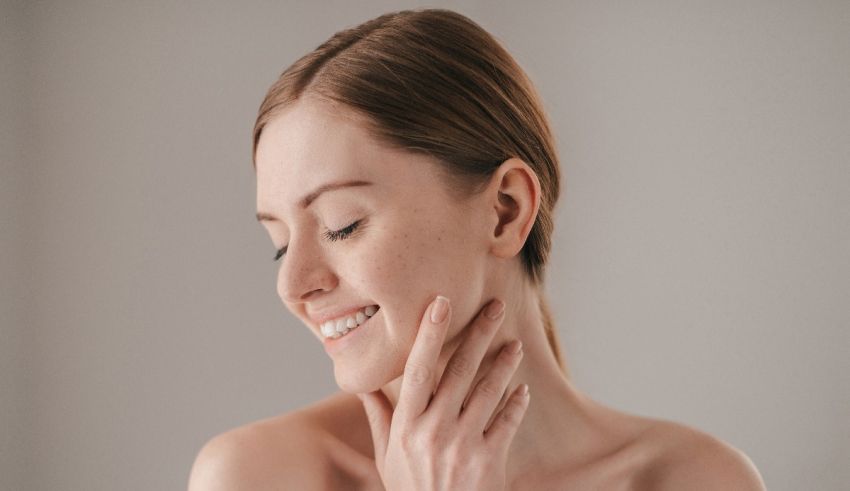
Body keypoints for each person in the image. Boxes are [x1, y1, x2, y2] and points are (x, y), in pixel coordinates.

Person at [189, 8, 765, 490]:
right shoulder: (258, 475)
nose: (293, 286)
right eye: (279, 245)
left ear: (506, 210)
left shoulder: (697, 479)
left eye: (342, 226)